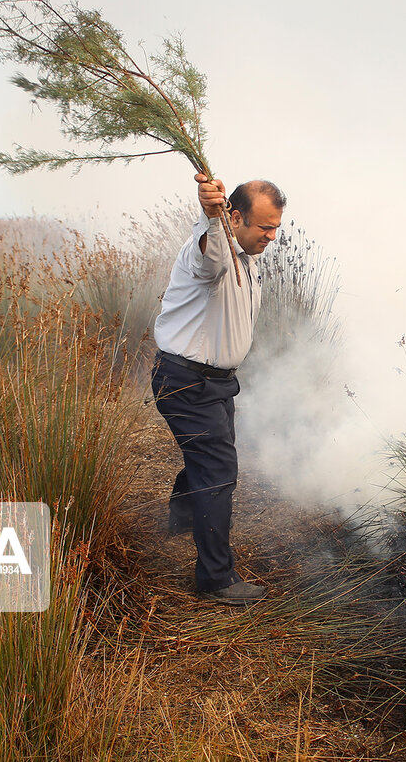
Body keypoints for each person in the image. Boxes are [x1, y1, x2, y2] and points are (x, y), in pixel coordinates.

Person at [150, 173, 285, 606]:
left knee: (209, 456)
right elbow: (211, 260)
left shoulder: (246, 259)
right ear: (234, 217)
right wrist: (211, 218)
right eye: (264, 226)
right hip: (188, 380)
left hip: (213, 383)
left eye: (276, 227)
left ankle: (183, 519)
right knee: (217, 471)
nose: (271, 236)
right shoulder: (212, 252)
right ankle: (216, 580)